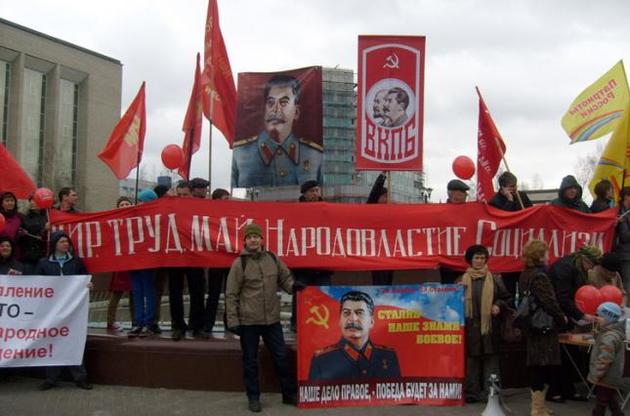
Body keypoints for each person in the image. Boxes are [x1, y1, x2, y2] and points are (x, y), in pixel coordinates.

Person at [225, 223, 298, 412]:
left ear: (261, 239)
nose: (253, 240)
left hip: (272, 320)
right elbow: (231, 294)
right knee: (250, 361)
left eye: (256, 237)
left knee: (281, 357)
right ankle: (253, 398)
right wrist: (233, 321)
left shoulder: (272, 258)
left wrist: (294, 287)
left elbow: (285, 278)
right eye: (249, 237)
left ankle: (289, 394)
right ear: (245, 241)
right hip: (248, 322)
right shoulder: (239, 264)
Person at [231, 74, 323, 188]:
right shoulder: (241, 153)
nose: (275, 110)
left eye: (283, 102)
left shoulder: (314, 156)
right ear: (264, 109)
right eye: (270, 102)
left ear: (296, 112)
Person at [35, 230, 92, 390]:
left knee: (75, 341)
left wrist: (88, 285)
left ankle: (80, 377)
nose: (66, 244)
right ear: (54, 245)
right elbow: (36, 285)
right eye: (62, 241)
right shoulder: (44, 263)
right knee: (52, 342)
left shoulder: (76, 262)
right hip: (52, 310)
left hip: (73, 310)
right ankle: (51, 378)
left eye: (67, 241)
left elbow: (85, 277)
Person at [458, 245, 512, 403]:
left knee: (491, 361)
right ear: (470, 260)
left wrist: (498, 305)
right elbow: (451, 303)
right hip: (470, 328)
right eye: (476, 258)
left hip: (490, 328)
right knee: (472, 361)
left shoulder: (495, 279)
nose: (480, 261)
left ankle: (492, 394)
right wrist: (457, 292)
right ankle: (471, 394)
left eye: (482, 258)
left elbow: (508, 298)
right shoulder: (461, 280)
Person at [518, 240, 567, 416]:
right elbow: (549, 301)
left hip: (532, 324)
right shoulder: (540, 276)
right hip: (543, 326)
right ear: (539, 256)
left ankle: (540, 405)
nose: (548, 256)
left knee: (539, 365)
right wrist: (561, 317)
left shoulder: (525, 274)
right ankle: (537, 409)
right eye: (546, 253)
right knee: (542, 366)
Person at [547, 244, 601, 402]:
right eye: (591, 264)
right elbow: (563, 298)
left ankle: (569, 389)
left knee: (570, 353)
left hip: (569, 315)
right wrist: (582, 315)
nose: (591, 268)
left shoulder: (577, 267)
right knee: (560, 355)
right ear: (584, 259)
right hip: (557, 316)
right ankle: (555, 391)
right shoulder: (564, 269)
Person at [308, 290, 401, 381]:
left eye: (359, 313)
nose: (352, 319)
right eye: (346, 313)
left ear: (371, 322)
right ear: (340, 320)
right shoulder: (321, 360)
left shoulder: (388, 356)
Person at [168, 181, 208, 341]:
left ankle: (197, 326)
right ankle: (178, 325)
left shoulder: (200, 208)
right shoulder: (169, 207)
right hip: (175, 254)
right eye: (179, 194)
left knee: (197, 291)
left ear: (192, 194)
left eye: (185, 194)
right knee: (175, 291)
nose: (182, 197)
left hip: (194, 254)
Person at [291, 181, 332, 332]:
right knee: (300, 293)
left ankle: (323, 326)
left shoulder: (327, 209)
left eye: (317, 190)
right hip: (303, 264)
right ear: (304, 193)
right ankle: (296, 323)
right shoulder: (295, 211)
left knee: (323, 294)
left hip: (322, 264)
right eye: (312, 191)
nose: (315, 193)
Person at [128, 189, 159, 337]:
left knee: (148, 290)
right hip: (134, 259)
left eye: (142, 201)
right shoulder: (133, 216)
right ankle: (138, 322)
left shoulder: (156, 218)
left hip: (148, 259)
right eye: (139, 201)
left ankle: (149, 321)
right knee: (137, 291)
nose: (139, 204)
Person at [588, 302, 626, 416]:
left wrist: (597, 374)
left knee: (601, 403)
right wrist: (596, 334)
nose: (597, 318)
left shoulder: (609, 337)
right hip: (610, 375)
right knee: (610, 400)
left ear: (608, 318)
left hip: (606, 376)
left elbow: (605, 358)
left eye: (599, 316)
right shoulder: (608, 333)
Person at [106, 197, 135, 332]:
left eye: (126, 204)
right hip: (119, 263)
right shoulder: (113, 221)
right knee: (116, 294)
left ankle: (136, 321)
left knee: (134, 294)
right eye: (121, 204)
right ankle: (110, 321)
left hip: (133, 262)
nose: (124, 206)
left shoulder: (136, 221)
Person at [205, 188, 231, 333]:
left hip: (230, 259)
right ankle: (208, 323)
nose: (228, 202)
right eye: (225, 199)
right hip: (216, 259)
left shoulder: (233, 215)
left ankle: (230, 323)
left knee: (231, 293)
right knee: (213, 293)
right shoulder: (210, 215)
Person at [366, 172, 394, 286]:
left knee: (388, 282)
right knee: (379, 283)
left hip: (390, 253)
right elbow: (374, 192)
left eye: (388, 196)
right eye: (384, 196)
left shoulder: (391, 212)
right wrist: (383, 175)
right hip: (377, 253)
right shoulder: (371, 209)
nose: (387, 199)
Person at [18, 195, 48, 273]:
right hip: (29, 256)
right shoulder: (24, 218)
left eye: (35, 201)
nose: (32, 203)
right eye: (31, 201)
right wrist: (21, 233)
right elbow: (21, 238)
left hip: (45, 255)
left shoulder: (48, 217)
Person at [614, 186, 630, 296]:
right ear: (626, 197)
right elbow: (624, 236)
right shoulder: (620, 213)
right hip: (625, 255)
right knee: (627, 284)